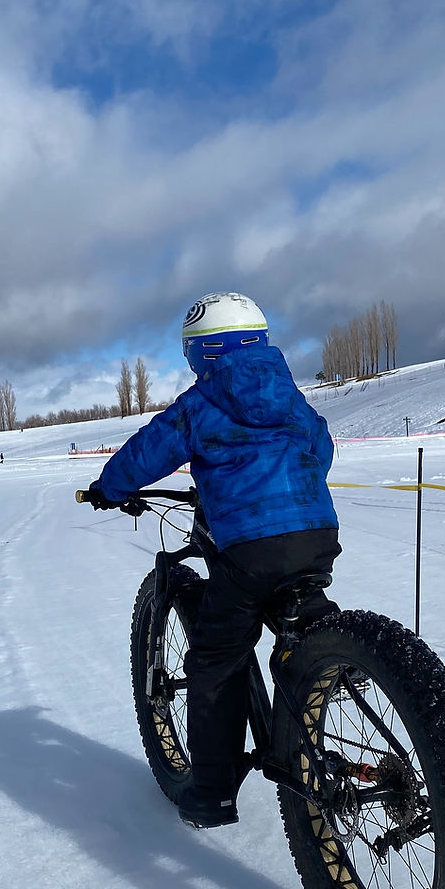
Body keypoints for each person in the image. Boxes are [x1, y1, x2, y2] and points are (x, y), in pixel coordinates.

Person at [89, 291, 339, 829]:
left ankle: (212, 791)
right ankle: (330, 654)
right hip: (318, 533)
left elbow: (148, 452)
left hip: (250, 548)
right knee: (294, 598)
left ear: (203, 352)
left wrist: (108, 488)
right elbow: (322, 447)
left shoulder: (202, 404)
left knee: (214, 659)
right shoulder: (291, 397)